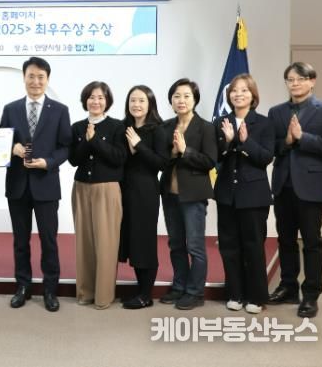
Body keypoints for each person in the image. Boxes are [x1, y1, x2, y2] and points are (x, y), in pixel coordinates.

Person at [267, 62, 322, 318]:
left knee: (312, 242)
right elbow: (271, 147)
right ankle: (288, 287)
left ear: (312, 81)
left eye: (301, 78)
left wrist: (303, 138)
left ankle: (311, 294)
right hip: (283, 186)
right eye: (290, 79)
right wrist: (288, 141)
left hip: (312, 188)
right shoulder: (276, 112)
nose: (295, 83)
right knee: (285, 240)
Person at [0, 56, 71, 312]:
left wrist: (48, 162)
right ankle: (23, 286)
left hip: (46, 185)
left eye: (41, 77)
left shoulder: (60, 110)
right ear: (24, 78)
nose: (36, 81)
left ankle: (50, 289)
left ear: (47, 79)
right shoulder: (11, 109)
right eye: (31, 76)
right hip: (17, 186)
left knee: (49, 240)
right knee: (20, 241)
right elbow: (0, 141)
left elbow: (65, 147)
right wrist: (12, 148)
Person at [213, 74, 274, 314]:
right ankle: (235, 293)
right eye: (234, 91)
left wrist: (245, 142)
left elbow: (265, 157)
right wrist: (228, 142)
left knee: (253, 246)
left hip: (254, 195)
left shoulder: (264, 123)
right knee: (229, 246)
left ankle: (256, 297)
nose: (238, 94)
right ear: (229, 96)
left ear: (253, 95)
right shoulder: (221, 122)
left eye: (244, 90)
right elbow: (215, 157)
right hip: (227, 193)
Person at [159, 78, 217, 310]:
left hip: (193, 195)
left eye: (186, 96)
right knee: (175, 244)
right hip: (170, 194)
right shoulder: (166, 126)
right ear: (171, 101)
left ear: (195, 100)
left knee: (195, 246)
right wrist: (173, 153)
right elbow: (160, 160)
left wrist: (185, 151)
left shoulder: (206, 127)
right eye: (176, 96)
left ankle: (195, 292)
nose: (181, 100)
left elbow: (210, 161)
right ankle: (179, 286)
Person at [68, 81, 125, 310]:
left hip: (107, 188)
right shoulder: (76, 127)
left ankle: (103, 296)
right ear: (85, 100)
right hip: (81, 188)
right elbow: (73, 160)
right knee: (84, 242)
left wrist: (95, 141)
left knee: (106, 243)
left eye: (101, 97)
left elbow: (119, 158)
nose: (96, 101)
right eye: (91, 97)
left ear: (107, 101)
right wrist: (86, 141)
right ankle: (85, 292)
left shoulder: (117, 126)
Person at [119, 85, 169, 309]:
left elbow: (161, 163)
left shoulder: (157, 130)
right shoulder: (124, 127)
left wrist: (138, 146)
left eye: (141, 100)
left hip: (145, 191)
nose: (136, 104)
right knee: (132, 241)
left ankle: (146, 295)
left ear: (150, 104)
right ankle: (140, 290)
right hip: (124, 190)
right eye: (132, 100)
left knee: (144, 242)